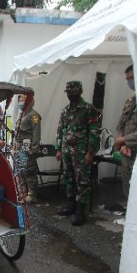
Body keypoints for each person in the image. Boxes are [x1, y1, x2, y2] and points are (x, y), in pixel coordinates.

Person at [55, 81, 101, 226]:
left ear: (80, 91)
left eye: (73, 92)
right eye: (68, 92)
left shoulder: (88, 109)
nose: (70, 94)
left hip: (81, 151)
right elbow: (60, 130)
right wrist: (58, 149)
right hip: (67, 150)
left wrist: (90, 152)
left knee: (82, 180)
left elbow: (94, 131)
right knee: (68, 177)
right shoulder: (65, 110)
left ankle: (81, 211)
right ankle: (71, 205)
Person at [114, 65, 137, 199]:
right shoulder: (131, 101)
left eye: (132, 78)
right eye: (128, 79)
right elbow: (121, 124)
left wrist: (125, 140)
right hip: (127, 152)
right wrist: (122, 142)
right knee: (128, 189)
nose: (130, 82)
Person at [16, 93, 41, 203]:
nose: (20, 104)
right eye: (19, 102)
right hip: (20, 148)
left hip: (29, 148)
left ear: (30, 101)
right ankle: (24, 193)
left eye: (23, 101)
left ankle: (32, 195)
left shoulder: (34, 115)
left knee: (30, 171)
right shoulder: (22, 114)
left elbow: (36, 133)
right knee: (22, 171)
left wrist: (34, 149)